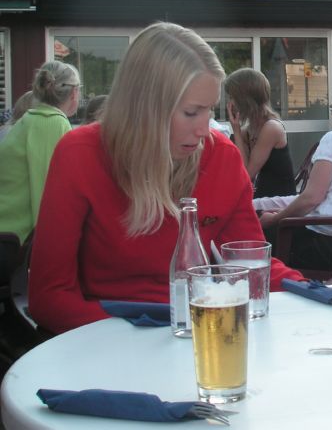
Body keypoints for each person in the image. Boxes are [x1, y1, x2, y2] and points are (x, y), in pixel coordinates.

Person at [28, 23, 303, 335]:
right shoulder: (80, 154)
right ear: (144, 108)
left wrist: (315, 293)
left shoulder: (222, 157)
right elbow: (49, 297)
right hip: (105, 337)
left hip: (195, 335)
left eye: (209, 111)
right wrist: (143, 333)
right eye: (191, 112)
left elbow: (249, 263)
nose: (204, 130)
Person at [255, 80, 332, 271]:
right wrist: (260, 203)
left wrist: (274, 219)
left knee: (263, 239)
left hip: (328, 241)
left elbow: (311, 198)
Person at [0, 64, 80, 245]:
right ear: (74, 93)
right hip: (13, 241)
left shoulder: (30, 119)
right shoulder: (51, 123)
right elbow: (47, 195)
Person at [223, 68, 295, 198]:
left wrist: (236, 131)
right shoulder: (249, 130)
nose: (230, 103)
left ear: (244, 99)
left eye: (232, 97)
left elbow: (246, 175)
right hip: (262, 198)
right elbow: (240, 172)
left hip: (278, 202)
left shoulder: (271, 128)